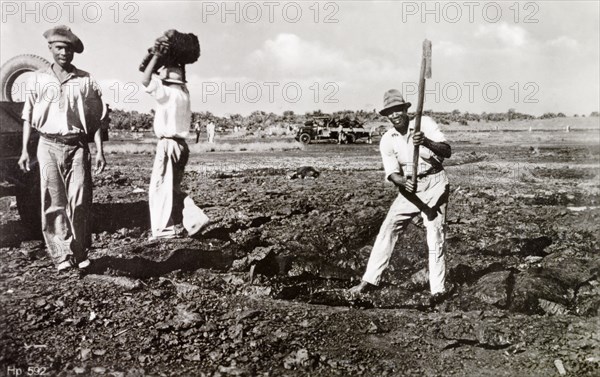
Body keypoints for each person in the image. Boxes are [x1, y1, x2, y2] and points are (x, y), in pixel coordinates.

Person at [349, 89, 452, 304]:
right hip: (409, 190)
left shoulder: (425, 123)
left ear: (406, 110)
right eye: (390, 112)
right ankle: (368, 281)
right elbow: (392, 173)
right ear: (386, 115)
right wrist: (403, 181)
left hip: (434, 184)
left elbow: (447, 150)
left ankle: (437, 290)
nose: (395, 115)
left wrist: (425, 141)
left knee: (435, 236)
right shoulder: (388, 139)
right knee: (388, 228)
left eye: (398, 110)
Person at [18, 25, 106, 272]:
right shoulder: (37, 79)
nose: (64, 53)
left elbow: (96, 119)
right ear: (50, 49)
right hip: (47, 145)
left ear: (73, 52)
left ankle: (80, 253)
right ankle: (61, 256)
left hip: (77, 146)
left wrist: (99, 150)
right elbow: (28, 117)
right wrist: (25, 150)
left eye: (68, 49)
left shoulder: (86, 80)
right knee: (53, 202)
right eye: (59, 48)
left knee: (79, 201)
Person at [142, 42, 209, 240]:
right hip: (182, 145)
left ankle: (164, 231)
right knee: (173, 188)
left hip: (168, 143)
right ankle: (195, 217)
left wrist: (155, 56)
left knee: (160, 188)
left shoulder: (167, 93)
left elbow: (145, 79)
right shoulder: (184, 93)